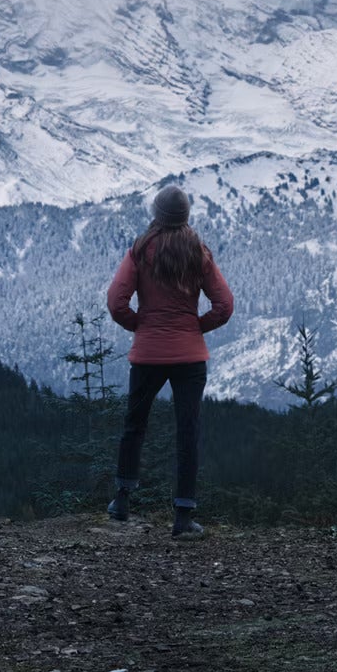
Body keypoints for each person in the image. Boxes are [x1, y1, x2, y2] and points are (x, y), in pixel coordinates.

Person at [104, 184, 235, 538]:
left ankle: (121, 501)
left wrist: (142, 326)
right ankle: (183, 517)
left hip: (147, 353)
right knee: (188, 433)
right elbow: (224, 305)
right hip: (190, 357)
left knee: (135, 425)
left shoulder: (141, 249)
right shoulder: (199, 252)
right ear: (186, 215)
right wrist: (195, 328)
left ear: (157, 214)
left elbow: (116, 302)